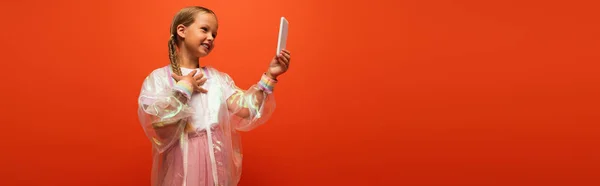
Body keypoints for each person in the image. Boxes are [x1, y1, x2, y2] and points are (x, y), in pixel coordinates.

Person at [136, 6, 291, 186]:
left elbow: (246, 108)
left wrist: (270, 76)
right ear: (182, 30)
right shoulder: (160, 78)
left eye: (214, 34)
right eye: (205, 29)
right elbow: (160, 128)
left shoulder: (217, 79)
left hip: (215, 160)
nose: (210, 37)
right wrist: (185, 88)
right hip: (183, 163)